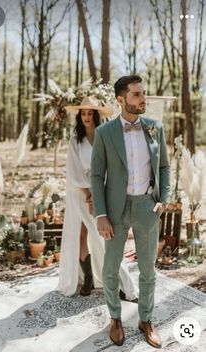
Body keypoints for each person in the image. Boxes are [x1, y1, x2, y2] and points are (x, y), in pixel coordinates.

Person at [91, 75, 170, 348]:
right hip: (115, 210)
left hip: (148, 207)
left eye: (143, 93)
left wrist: (164, 199)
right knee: (111, 268)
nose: (143, 99)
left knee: (148, 270)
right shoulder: (104, 133)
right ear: (121, 100)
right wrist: (101, 214)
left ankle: (146, 319)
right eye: (136, 95)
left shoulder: (155, 127)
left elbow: (164, 168)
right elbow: (97, 175)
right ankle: (115, 318)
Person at [58, 96, 139, 302]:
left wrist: (102, 193)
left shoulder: (105, 136)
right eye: (83, 113)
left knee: (105, 237)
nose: (86, 117)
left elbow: (112, 165)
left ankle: (123, 284)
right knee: (81, 233)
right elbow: (74, 171)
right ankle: (87, 279)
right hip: (80, 193)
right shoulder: (75, 140)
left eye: (90, 113)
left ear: (95, 116)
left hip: (102, 191)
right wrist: (88, 195)